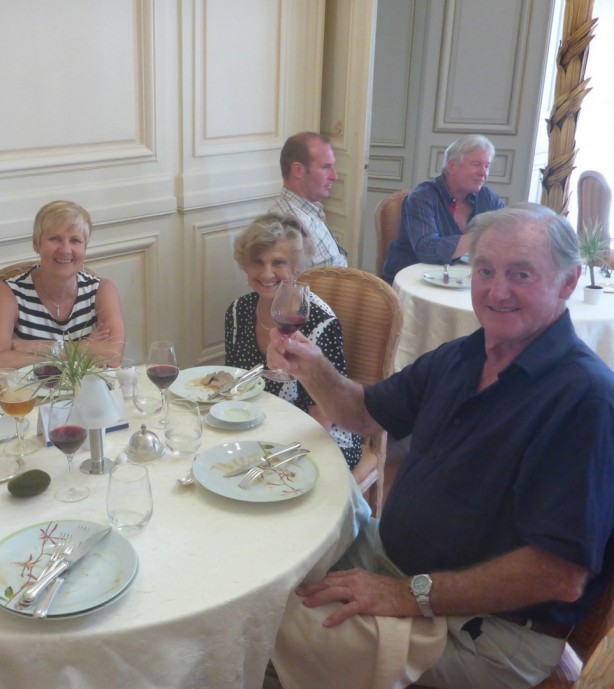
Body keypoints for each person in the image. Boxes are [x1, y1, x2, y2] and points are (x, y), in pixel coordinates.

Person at [266, 203, 614, 689]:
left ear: (568, 281)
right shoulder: (464, 355)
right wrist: (311, 363)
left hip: (486, 631)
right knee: (268, 572)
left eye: (521, 274)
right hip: (393, 561)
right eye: (485, 270)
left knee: (275, 627)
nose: (497, 291)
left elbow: (558, 575)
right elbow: (362, 412)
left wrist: (407, 595)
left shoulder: (584, 398)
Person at [225, 213, 362, 468]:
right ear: (245, 265)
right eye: (257, 261)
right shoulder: (237, 311)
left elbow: (325, 412)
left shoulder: (320, 322)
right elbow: (237, 385)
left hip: (315, 437)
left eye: (278, 262)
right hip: (258, 427)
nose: (267, 273)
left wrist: (275, 459)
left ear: (297, 268)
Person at [0, 200, 125, 373]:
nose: (65, 250)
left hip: (87, 389)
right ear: (36, 243)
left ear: (85, 248)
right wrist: (84, 348)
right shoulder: (9, 292)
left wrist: (36, 347)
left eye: (75, 240)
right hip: (28, 391)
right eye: (55, 239)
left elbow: (113, 356)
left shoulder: (102, 290)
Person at [381, 134, 505, 283]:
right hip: (412, 280)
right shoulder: (422, 197)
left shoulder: (487, 197)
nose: (483, 173)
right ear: (452, 166)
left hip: (459, 278)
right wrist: (480, 237)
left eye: (487, 166)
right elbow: (427, 250)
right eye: (476, 164)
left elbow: (505, 231)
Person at [270, 132, 348, 269]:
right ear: (298, 170)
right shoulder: (288, 226)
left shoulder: (309, 209)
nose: (334, 176)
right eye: (325, 167)